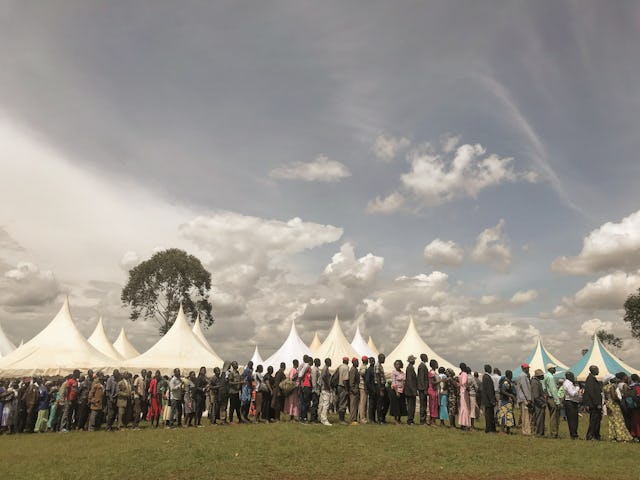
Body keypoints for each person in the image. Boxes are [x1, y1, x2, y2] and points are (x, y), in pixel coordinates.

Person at [603, 374, 633, 442]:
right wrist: (619, 400)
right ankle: (622, 437)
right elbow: (613, 397)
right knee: (619, 421)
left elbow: (606, 398)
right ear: (610, 380)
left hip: (609, 405)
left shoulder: (605, 387)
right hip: (614, 405)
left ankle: (613, 437)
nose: (615, 379)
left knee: (612, 421)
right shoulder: (612, 386)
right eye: (614, 378)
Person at [583, 365, 602, 441]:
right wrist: (597, 403)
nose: (598, 371)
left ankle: (596, 435)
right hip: (593, 404)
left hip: (595, 403)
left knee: (597, 419)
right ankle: (590, 435)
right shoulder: (590, 379)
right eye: (597, 369)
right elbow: (592, 392)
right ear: (593, 370)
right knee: (593, 420)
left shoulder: (593, 378)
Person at [542, 363, 561, 438]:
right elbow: (553, 390)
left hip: (548, 398)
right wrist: (557, 401)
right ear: (550, 369)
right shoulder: (551, 377)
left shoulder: (545, 376)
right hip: (552, 398)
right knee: (554, 416)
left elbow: (544, 388)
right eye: (554, 368)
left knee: (551, 415)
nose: (555, 369)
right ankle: (554, 433)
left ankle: (552, 432)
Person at [563, 371, 581, 439]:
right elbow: (572, 393)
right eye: (572, 376)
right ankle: (573, 435)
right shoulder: (568, 384)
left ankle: (574, 433)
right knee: (572, 420)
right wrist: (577, 388)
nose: (573, 377)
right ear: (569, 376)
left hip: (572, 402)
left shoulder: (569, 383)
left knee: (574, 419)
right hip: (570, 403)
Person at [497, 370, 516, 434]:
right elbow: (502, 391)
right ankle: (502, 431)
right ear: (508, 375)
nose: (512, 375)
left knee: (509, 416)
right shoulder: (506, 382)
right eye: (511, 374)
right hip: (505, 401)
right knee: (504, 416)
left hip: (508, 402)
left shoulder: (509, 382)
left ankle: (508, 430)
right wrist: (510, 395)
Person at [516, 363, 532, 436]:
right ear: (523, 368)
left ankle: (525, 430)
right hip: (524, 398)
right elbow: (525, 388)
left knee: (524, 415)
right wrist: (528, 398)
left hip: (522, 398)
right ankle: (526, 431)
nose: (528, 369)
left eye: (528, 368)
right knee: (525, 415)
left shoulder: (523, 376)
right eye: (526, 368)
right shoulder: (523, 376)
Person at [390, 359, 406, 424]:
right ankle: (395, 419)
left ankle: (399, 419)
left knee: (401, 405)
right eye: (396, 364)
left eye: (399, 364)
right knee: (396, 405)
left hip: (402, 390)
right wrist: (396, 392)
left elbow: (404, 381)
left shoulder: (402, 373)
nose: (397, 365)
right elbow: (394, 382)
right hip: (395, 390)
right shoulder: (394, 372)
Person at [481, 364, 496, 433]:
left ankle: (489, 428)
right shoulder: (487, 377)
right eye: (490, 368)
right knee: (489, 415)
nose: (491, 370)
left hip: (486, 399)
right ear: (488, 369)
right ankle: (489, 429)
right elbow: (489, 390)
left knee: (488, 414)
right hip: (488, 400)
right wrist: (492, 400)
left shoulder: (485, 377)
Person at [531, 369, 546, 437]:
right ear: (539, 376)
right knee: (539, 419)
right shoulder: (535, 383)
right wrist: (541, 404)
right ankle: (539, 433)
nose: (543, 376)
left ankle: (540, 433)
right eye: (542, 375)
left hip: (538, 403)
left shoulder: (537, 382)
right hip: (538, 404)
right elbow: (536, 396)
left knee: (540, 419)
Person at [456, 363, 471, 431]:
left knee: (462, 408)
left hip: (461, 392)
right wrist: (463, 384)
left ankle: (462, 423)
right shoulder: (464, 374)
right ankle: (465, 424)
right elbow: (464, 382)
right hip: (464, 392)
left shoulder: (460, 374)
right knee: (465, 408)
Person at [336, 357, 350, 425]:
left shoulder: (340, 367)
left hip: (339, 386)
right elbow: (345, 379)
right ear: (347, 361)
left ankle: (341, 419)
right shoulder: (346, 367)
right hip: (343, 386)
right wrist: (347, 389)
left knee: (340, 402)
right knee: (343, 403)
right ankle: (342, 420)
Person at [298, 356, 312, 423]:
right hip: (306, 385)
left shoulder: (307, 366)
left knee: (306, 402)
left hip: (307, 385)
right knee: (305, 403)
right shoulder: (307, 366)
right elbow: (300, 374)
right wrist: (301, 384)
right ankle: (302, 418)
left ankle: (304, 417)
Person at [404, 355, 417, 425]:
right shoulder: (410, 368)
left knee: (411, 405)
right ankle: (410, 420)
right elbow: (410, 380)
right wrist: (413, 390)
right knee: (411, 406)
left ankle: (411, 419)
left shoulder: (410, 367)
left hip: (409, 390)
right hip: (410, 391)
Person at [319, 358, 332, 426]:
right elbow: (324, 377)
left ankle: (322, 418)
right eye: (330, 361)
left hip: (324, 388)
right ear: (327, 362)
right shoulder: (325, 369)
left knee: (325, 404)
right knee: (326, 405)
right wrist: (328, 385)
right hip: (325, 388)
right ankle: (324, 419)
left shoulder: (325, 368)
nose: (331, 362)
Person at [375, 354, 387, 424]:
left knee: (383, 403)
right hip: (379, 386)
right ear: (379, 358)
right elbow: (378, 378)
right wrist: (380, 389)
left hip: (382, 385)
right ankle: (379, 419)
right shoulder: (377, 366)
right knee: (380, 403)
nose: (384, 360)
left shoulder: (381, 366)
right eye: (383, 358)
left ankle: (382, 418)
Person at [417, 354, 429, 425]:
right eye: (426, 357)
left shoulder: (423, 366)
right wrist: (424, 388)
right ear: (423, 358)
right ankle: (422, 420)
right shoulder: (422, 366)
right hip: (422, 388)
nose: (427, 358)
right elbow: (421, 378)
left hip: (423, 388)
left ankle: (423, 420)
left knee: (424, 404)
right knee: (423, 404)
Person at [427, 359, 440, 425]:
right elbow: (432, 382)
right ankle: (432, 421)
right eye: (436, 364)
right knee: (433, 406)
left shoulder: (434, 372)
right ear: (434, 365)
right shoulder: (431, 373)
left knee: (434, 405)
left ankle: (432, 420)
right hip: (432, 390)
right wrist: (440, 381)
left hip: (435, 390)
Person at [348, 357, 360, 425]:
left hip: (356, 389)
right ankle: (353, 419)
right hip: (353, 391)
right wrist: (354, 390)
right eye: (357, 362)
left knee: (355, 405)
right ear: (354, 362)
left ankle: (355, 419)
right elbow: (351, 381)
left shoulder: (355, 369)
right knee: (353, 405)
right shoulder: (353, 370)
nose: (358, 363)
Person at [365, 356, 377, 423]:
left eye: (373, 360)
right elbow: (367, 381)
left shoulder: (374, 369)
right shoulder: (369, 369)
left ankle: (374, 418)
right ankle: (371, 419)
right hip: (371, 389)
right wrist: (371, 389)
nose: (373, 362)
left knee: (374, 405)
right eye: (372, 360)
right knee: (371, 405)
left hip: (374, 389)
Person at [357, 355, 368, 424]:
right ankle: (362, 418)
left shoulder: (361, 367)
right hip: (363, 386)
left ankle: (360, 417)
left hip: (361, 386)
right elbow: (363, 375)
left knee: (362, 402)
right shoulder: (364, 367)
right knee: (363, 403)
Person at [310, 358, 321, 423]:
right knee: (314, 404)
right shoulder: (314, 370)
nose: (320, 363)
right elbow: (314, 381)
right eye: (319, 362)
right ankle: (313, 419)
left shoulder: (317, 369)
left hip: (317, 389)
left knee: (316, 405)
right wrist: (316, 390)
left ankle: (315, 418)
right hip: (315, 390)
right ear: (316, 362)